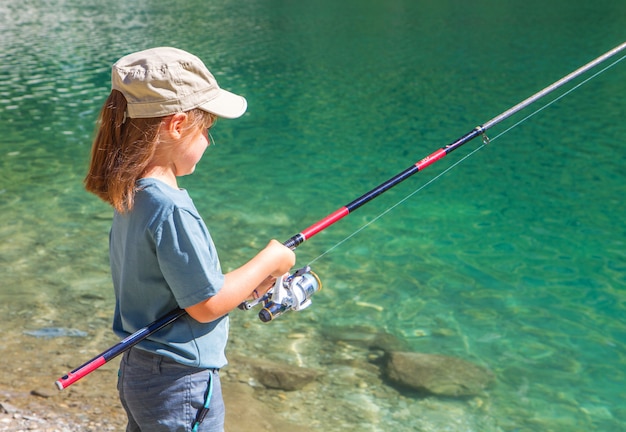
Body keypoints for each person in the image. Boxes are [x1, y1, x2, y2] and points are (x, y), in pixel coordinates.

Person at [84, 47, 296, 432]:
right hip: (179, 384)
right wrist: (271, 260)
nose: (209, 143)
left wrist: (245, 284)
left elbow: (182, 289)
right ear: (177, 125)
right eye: (207, 130)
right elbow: (206, 305)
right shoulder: (171, 208)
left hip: (139, 369)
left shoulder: (132, 194)